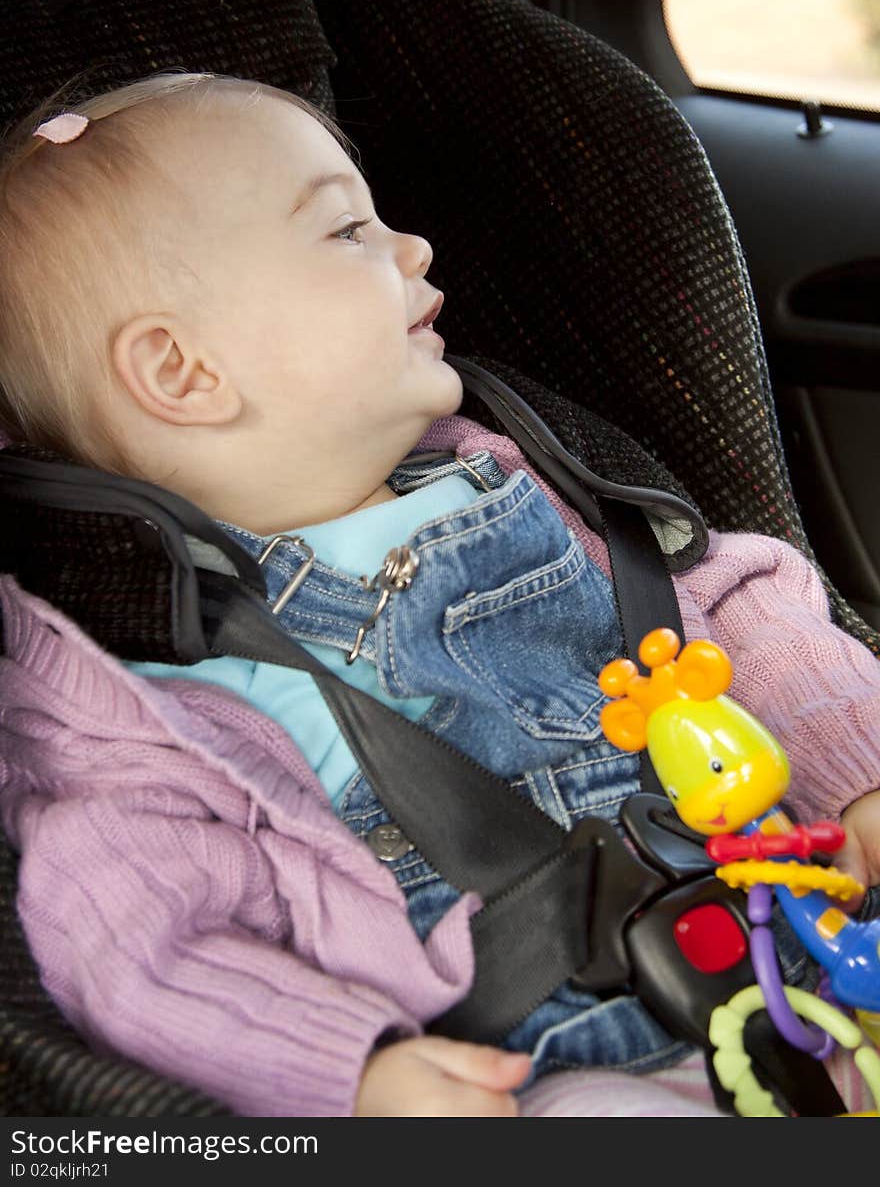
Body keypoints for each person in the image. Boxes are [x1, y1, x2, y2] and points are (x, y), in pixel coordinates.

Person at [0, 71, 878, 1118]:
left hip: (812, 955)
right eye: (345, 233)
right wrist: (350, 1069)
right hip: (556, 1070)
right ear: (185, 373)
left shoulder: (533, 478)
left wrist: (850, 774)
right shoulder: (161, 696)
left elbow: (737, 601)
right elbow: (134, 927)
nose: (412, 248)